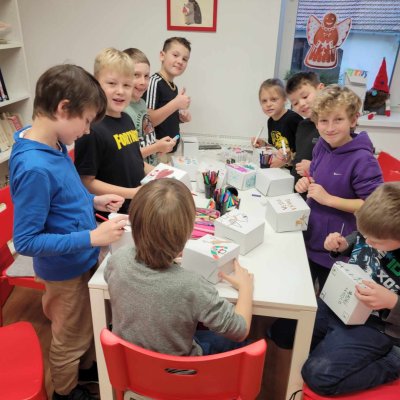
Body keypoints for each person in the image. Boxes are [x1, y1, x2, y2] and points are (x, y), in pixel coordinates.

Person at [9, 64, 128, 400]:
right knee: (68, 336)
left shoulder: (54, 144)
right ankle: (64, 391)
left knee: (83, 324)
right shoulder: (34, 167)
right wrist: (92, 237)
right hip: (63, 270)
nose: (88, 130)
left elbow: (63, 197)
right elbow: (27, 241)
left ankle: (82, 368)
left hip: (80, 257)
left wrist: (94, 200)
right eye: (86, 121)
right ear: (63, 108)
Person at [104, 179, 254, 356]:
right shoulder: (193, 286)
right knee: (243, 343)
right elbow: (240, 330)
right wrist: (246, 288)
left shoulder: (118, 259)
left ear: (133, 223)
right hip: (181, 369)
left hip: (130, 363)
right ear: (188, 232)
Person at [301, 182, 400, 396]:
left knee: (318, 375)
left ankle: (392, 363)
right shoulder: (376, 233)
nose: (368, 242)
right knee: (286, 332)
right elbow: (360, 237)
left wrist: (392, 302)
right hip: (342, 302)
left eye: (376, 241)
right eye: (366, 235)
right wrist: (343, 245)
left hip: (378, 326)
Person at [296, 84, 383, 289]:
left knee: (327, 301)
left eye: (338, 120)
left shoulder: (363, 159)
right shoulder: (321, 145)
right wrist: (306, 182)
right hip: (310, 236)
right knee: (303, 291)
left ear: (353, 120)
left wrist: (329, 199)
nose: (330, 128)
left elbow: (374, 207)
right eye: (323, 121)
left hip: (337, 249)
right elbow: (316, 177)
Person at [75, 48, 153, 216]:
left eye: (126, 85)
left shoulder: (127, 119)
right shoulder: (91, 129)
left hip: (134, 210)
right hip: (109, 217)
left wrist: (160, 173)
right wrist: (133, 193)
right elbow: (85, 181)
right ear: (96, 84)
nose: (120, 91)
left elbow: (136, 161)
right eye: (112, 83)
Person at [123, 47, 176, 166]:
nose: (143, 82)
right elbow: (128, 155)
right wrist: (156, 147)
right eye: (136, 75)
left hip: (152, 168)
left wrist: (159, 144)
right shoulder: (122, 111)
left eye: (146, 76)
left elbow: (143, 139)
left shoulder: (142, 103)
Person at [144, 37, 192, 160]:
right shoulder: (154, 82)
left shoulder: (173, 87)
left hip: (171, 150)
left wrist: (180, 118)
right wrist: (175, 104)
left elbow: (165, 117)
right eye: (175, 55)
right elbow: (148, 121)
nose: (180, 61)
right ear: (162, 56)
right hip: (157, 153)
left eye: (185, 59)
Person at [252, 78, 302, 168]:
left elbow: (305, 150)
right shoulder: (270, 121)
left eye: (273, 99)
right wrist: (264, 144)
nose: (268, 104)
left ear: (285, 99)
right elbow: (275, 147)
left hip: (295, 170)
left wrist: (287, 160)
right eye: (264, 101)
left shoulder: (293, 119)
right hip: (281, 169)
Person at [285, 72, 323, 184]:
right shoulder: (302, 125)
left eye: (305, 96)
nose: (301, 104)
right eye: (295, 103)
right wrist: (288, 159)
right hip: (294, 188)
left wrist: (313, 167)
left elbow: (340, 167)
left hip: (315, 190)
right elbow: (300, 158)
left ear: (320, 89)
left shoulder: (331, 129)